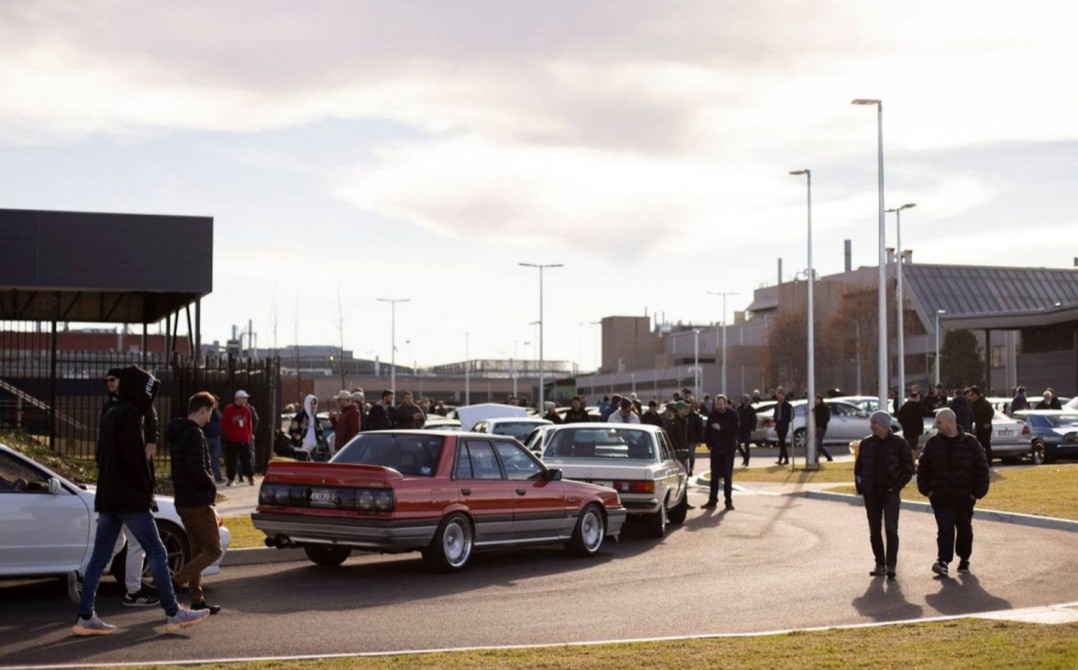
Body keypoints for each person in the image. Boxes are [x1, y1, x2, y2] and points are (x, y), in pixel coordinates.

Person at [71, 365, 209, 636]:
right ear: (138, 390)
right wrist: (147, 491)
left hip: (109, 496)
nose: (150, 399)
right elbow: (136, 461)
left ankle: (85, 615)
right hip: (130, 498)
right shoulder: (130, 414)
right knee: (156, 551)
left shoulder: (111, 412)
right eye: (148, 393)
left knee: (100, 556)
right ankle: (173, 612)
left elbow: (100, 456)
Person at [167, 392, 223, 615]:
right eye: (209, 413)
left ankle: (197, 600)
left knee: (197, 550)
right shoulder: (194, 434)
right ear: (202, 410)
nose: (210, 418)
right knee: (213, 550)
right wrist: (211, 486)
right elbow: (197, 468)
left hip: (183, 500)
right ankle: (175, 581)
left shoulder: (179, 433)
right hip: (197, 501)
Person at [917, 408, 990, 577]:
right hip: (941, 496)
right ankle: (943, 561)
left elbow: (982, 468)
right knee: (945, 528)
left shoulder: (970, 443)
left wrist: (976, 493)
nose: (936, 426)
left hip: (965, 496)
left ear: (951, 422)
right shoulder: (933, 443)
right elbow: (923, 468)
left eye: (939, 422)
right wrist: (927, 490)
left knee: (964, 528)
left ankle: (964, 558)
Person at [854, 411, 915, 579]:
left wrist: (896, 487)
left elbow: (908, 468)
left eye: (874, 423)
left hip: (890, 493)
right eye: (871, 422)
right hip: (871, 494)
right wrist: (861, 485)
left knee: (891, 529)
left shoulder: (899, 443)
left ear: (884, 425)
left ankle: (891, 565)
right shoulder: (866, 443)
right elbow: (858, 468)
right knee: (875, 531)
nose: (871, 426)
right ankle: (880, 564)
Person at [704, 395, 739, 510]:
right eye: (717, 404)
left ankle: (728, 501)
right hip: (716, 450)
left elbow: (735, 429)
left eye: (720, 404)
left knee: (727, 476)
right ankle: (712, 500)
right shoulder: (712, 415)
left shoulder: (732, 414)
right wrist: (709, 445)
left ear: (725, 404)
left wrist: (721, 428)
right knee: (714, 476)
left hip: (728, 450)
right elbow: (707, 431)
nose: (718, 406)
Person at [221, 390, 255, 486]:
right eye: (243, 398)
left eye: (245, 398)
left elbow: (249, 424)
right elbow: (224, 422)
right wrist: (228, 432)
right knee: (231, 460)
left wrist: (249, 435)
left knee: (246, 460)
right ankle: (231, 478)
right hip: (231, 440)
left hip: (244, 439)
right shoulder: (229, 409)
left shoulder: (246, 410)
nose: (245, 400)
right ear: (238, 398)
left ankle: (250, 477)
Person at [969, 386, 995, 464]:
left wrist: (987, 422)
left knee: (986, 444)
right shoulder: (973, 404)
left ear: (976, 394)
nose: (970, 396)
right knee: (979, 445)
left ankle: (989, 462)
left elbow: (991, 412)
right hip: (978, 427)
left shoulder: (984, 403)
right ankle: (981, 461)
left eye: (971, 394)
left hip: (985, 427)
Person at [897, 390, 926, 456]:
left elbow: (899, 418)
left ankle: (908, 458)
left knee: (907, 446)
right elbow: (926, 413)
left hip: (906, 430)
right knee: (913, 447)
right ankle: (912, 459)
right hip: (915, 430)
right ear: (916, 398)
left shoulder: (904, 407)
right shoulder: (917, 407)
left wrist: (904, 424)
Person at [203, 398, 225, 484]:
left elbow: (222, 423)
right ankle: (206, 477)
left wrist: (221, 433)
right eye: (215, 402)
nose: (216, 403)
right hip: (207, 437)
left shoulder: (218, 412)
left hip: (216, 438)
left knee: (216, 458)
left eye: (217, 402)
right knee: (205, 458)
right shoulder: (206, 411)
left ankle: (217, 476)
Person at [667, 401, 690, 473]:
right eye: (684, 408)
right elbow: (671, 436)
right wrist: (678, 446)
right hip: (677, 451)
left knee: (685, 472)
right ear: (679, 410)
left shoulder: (684, 421)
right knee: (678, 472)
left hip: (684, 450)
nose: (686, 410)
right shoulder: (673, 422)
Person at [773, 388, 793, 465]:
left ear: (783, 396)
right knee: (781, 443)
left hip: (784, 425)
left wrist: (786, 421)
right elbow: (775, 414)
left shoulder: (787, 405)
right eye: (778, 396)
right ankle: (785, 459)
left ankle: (781, 459)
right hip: (778, 425)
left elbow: (791, 415)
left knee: (782, 442)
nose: (779, 397)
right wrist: (775, 420)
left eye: (780, 395)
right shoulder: (776, 405)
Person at [735, 394, 757, 467]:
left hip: (747, 429)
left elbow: (754, 420)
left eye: (748, 400)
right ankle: (744, 456)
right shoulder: (739, 408)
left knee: (747, 445)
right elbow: (735, 417)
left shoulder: (751, 410)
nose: (747, 402)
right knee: (738, 445)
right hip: (740, 429)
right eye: (745, 400)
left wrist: (752, 429)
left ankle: (747, 461)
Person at [813, 395, 834, 462]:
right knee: (818, 444)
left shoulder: (825, 408)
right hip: (816, 427)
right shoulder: (815, 408)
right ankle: (828, 457)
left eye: (816, 399)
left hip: (822, 428)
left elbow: (826, 419)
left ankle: (817, 458)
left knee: (818, 443)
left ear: (820, 400)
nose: (815, 401)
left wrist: (820, 426)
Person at [686, 401, 704, 477]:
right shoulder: (684, 416)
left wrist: (700, 440)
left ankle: (690, 469)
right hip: (684, 439)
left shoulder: (695, 416)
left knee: (691, 454)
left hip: (692, 439)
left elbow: (700, 428)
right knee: (684, 456)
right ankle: (685, 470)